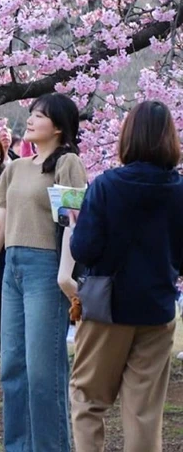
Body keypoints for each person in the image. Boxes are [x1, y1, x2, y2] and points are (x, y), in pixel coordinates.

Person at [0, 92, 88, 452]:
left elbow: (72, 223)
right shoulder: (15, 168)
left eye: (41, 115)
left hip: (45, 270)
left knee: (42, 372)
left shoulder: (67, 164)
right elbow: (0, 225)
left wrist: (65, 276)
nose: (31, 119)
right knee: (12, 370)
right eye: (32, 113)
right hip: (12, 271)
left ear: (59, 127)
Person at [69, 101, 183, 452]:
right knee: (144, 411)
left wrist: (76, 226)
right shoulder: (179, 190)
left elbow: (84, 249)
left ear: (128, 136)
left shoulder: (106, 186)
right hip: (157, 307)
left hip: (108, 307)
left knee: (89, 400)